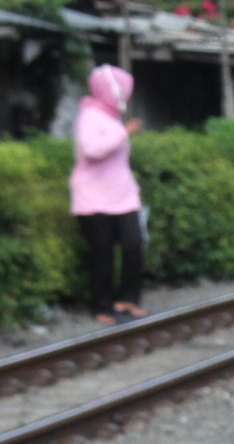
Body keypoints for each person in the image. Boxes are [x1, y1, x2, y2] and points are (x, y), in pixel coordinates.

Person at [71, 65, 145, 325]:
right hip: (93, 197)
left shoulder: (112, 117)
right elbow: (92, 149)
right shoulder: (89, 116)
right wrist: (124, 132)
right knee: (102, 254)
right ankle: (101, 307)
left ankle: (127, 299)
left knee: (134, 243)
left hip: (123, 195)